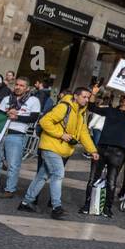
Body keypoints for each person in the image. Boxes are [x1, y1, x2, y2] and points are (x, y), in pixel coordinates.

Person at [18, 87, 99, 218]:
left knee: (42, 176)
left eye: (88, 97)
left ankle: (26, 202)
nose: (87, 99)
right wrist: (61, 134)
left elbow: (83, 133)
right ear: (75, 96)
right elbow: (44, 121)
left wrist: (93, 150)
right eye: (84, 97)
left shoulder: (82, 112)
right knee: (58, 174)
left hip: (60, 149)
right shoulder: (64, 107)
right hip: (51, 146)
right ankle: (57, 207)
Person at [83, 88, 125, 217]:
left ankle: (107, 208)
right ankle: (88, 205)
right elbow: (92, 106)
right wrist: (94, 92)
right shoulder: (111, 110)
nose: (123, 99)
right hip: (102, 148)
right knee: (93, 178)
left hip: (117, 152)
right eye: (122, 97)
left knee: (111, 182)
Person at [0, 76, 42, 197]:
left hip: (17, 135)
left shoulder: (33, 100)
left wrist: (17, 117)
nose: (18, 87)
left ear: (27, 88)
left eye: (21, 85)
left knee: (13, 164)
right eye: (17, 85)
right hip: (2, 133)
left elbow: (34, 118)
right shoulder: (7, 98)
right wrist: (5, 113)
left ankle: (10, 189)